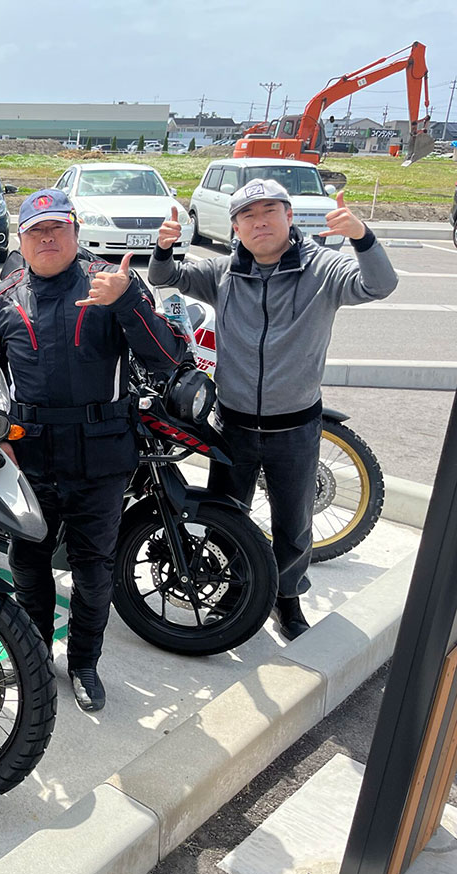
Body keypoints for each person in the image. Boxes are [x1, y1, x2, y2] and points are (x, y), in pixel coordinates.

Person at [149, 179, 397, 639]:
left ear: (289, 216)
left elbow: (380, 285)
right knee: (228, 515)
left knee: (293, 522)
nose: (259, 222)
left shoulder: (322, 268)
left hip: (295, 425)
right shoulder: (224, 272)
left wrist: (362, 237)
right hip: (234, 422)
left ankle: (287, 598)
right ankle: (235, 591)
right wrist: (165, 248)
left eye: (269, 211)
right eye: (248, 215)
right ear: (235, 227)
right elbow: (165, 278)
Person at [0, 189, 189, 712]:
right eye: (36, 230)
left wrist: (126, 301)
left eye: (57, 227)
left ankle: (84, 664)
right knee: (28, 563)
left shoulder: (111, 282)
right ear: (21, 240)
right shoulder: (1, 298)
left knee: (94, 572)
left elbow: (168, 358)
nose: (47, 238)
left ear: (75, 232)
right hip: (29, 457)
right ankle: (33, 658)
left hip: (100, 457)